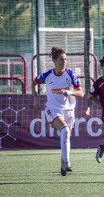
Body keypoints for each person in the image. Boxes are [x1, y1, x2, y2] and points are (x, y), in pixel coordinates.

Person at [32, 46, 84, 176]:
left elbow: (81, 93)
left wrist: (70, 92)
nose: (64, 62)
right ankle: (67, 162)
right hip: (53, 109)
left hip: (69, 110)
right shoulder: (48, 75)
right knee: (65, 130)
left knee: (66, 135)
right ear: (54, 61)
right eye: (61, 59)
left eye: (65, 59)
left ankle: (63, 161)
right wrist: (36, 99)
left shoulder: (70, 74)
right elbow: (34, 83)